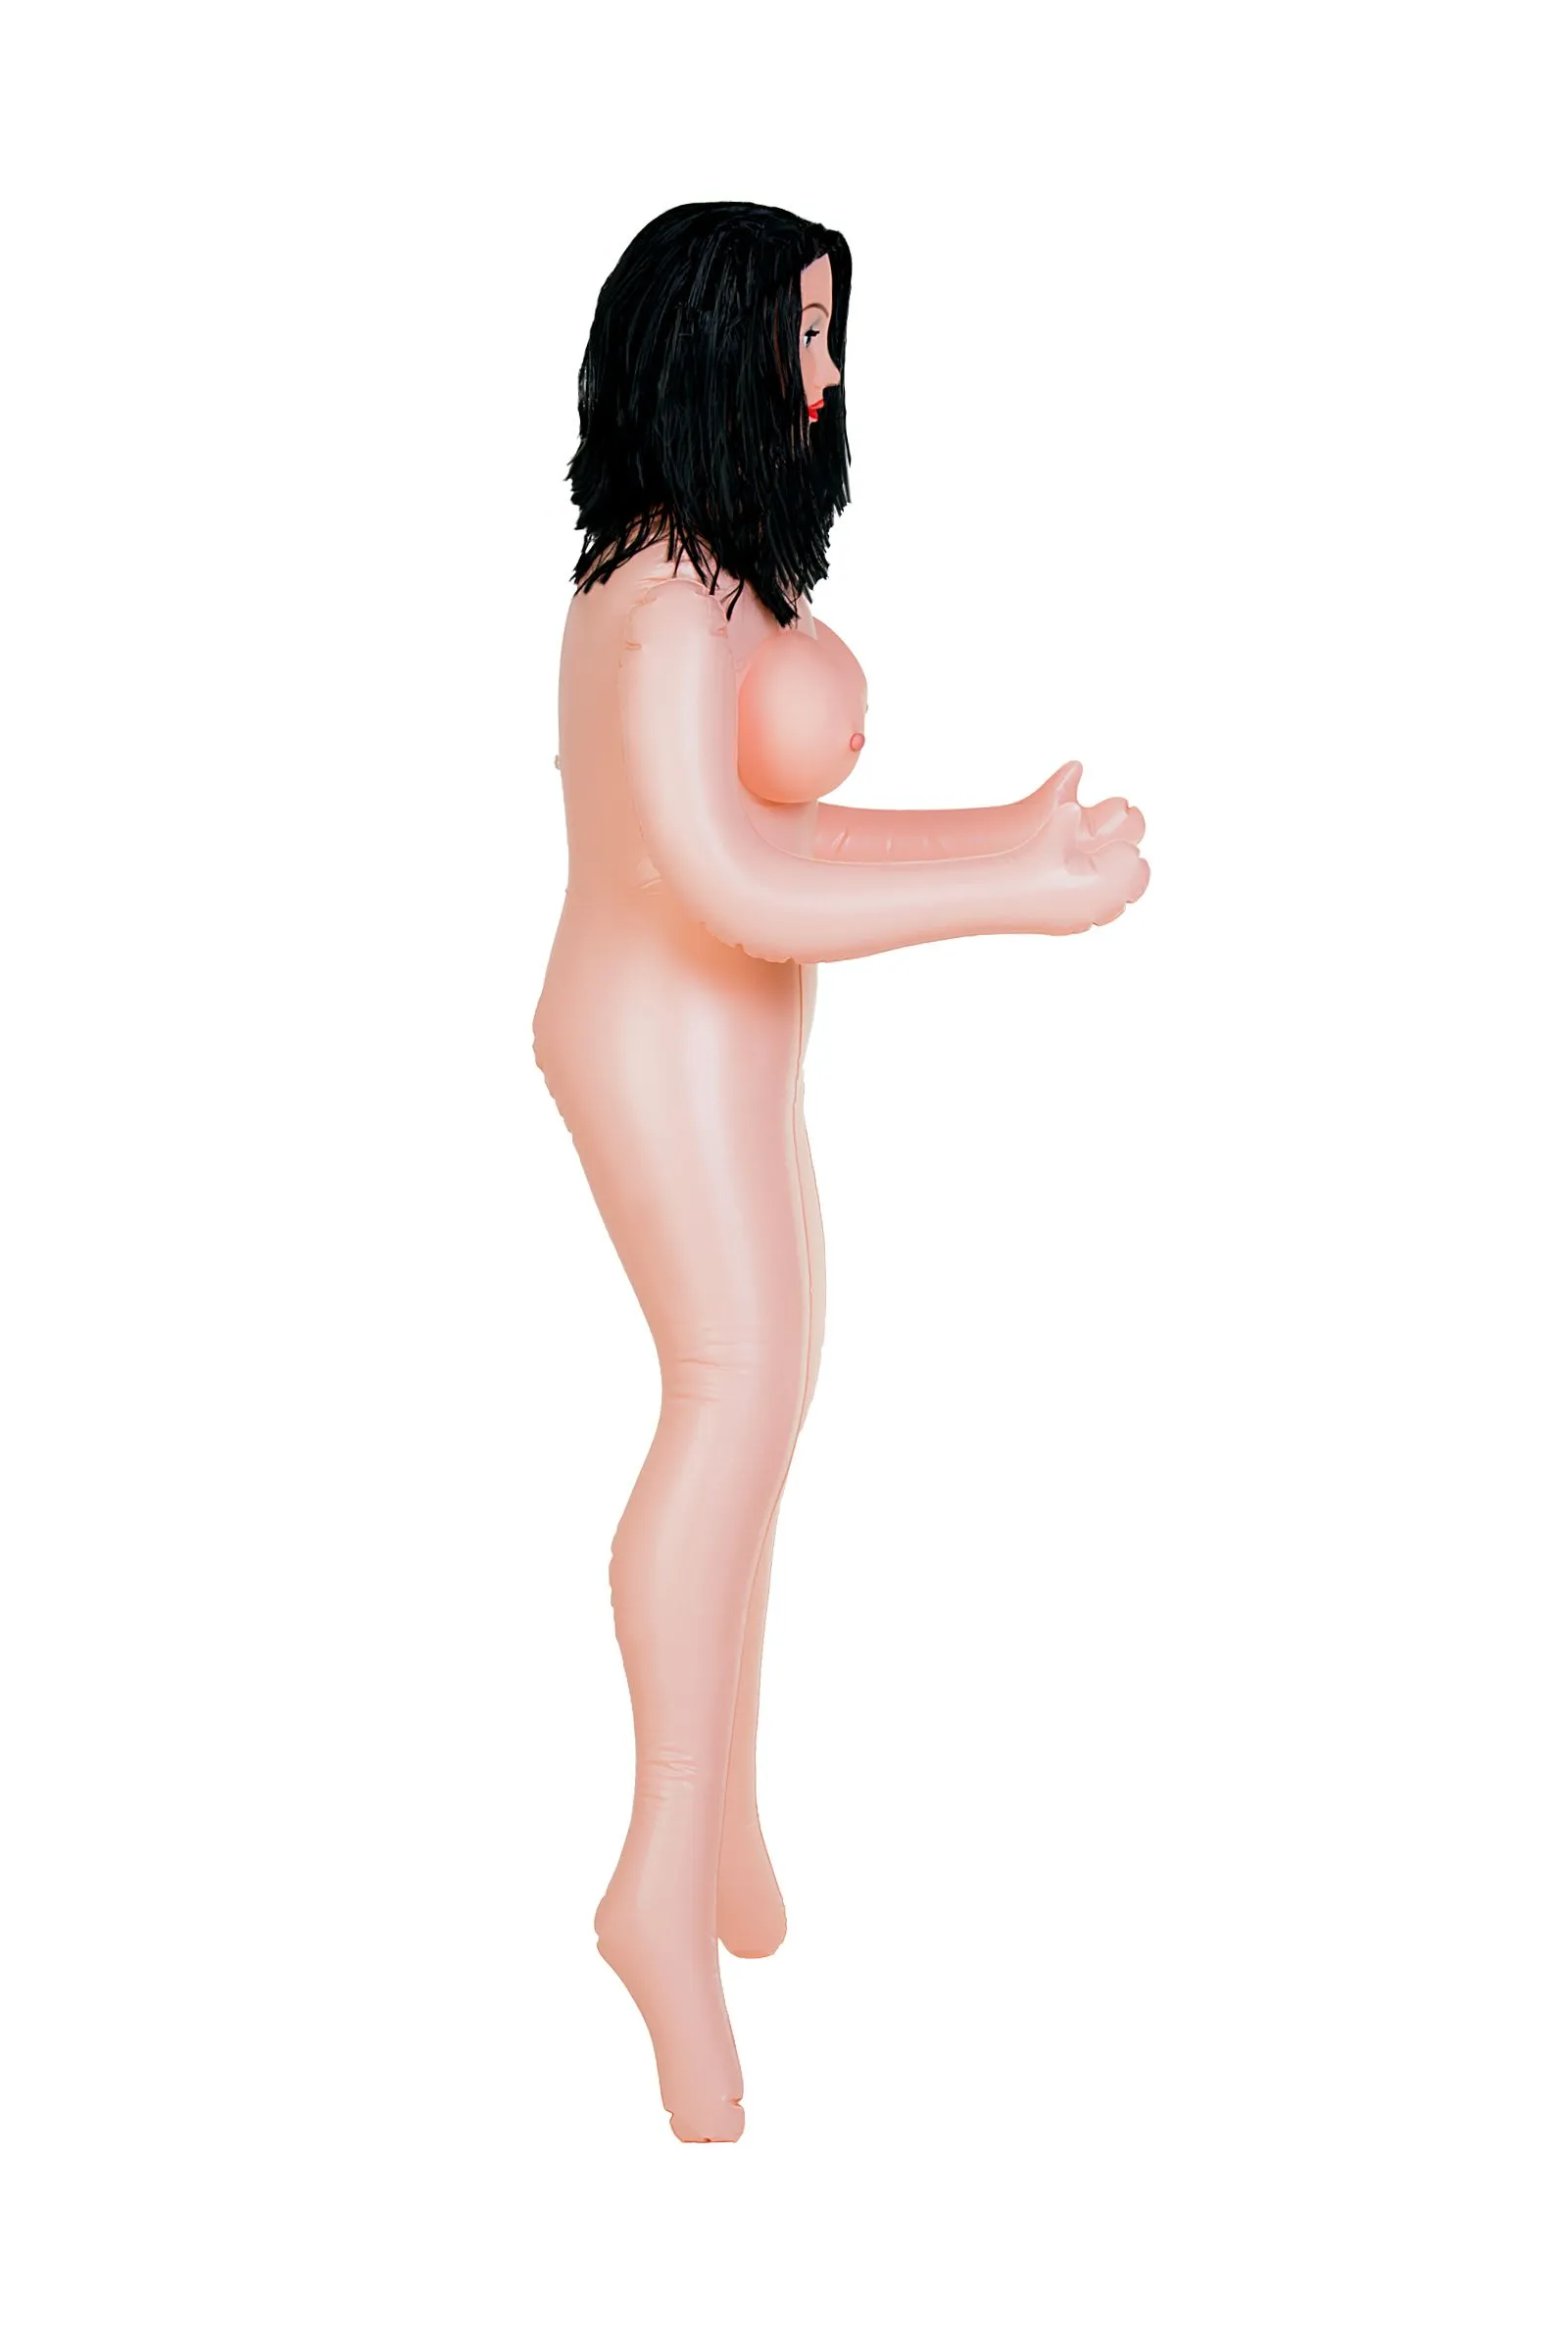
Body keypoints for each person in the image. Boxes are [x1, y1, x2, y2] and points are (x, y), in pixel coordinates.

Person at [532, 200, 1150, 2140]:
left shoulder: (715, 576)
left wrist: (999, 833)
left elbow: (785, 844)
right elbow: (733, 881)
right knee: (725, 1409)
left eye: (829, 337)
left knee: (764, 1408)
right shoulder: (655, 607)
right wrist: (1006, 897)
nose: (820, 376)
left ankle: (716, 1825)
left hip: (728, 1048)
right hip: (653, 1043)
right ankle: (653, 1886)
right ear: (700, 350)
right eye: (795, 337)